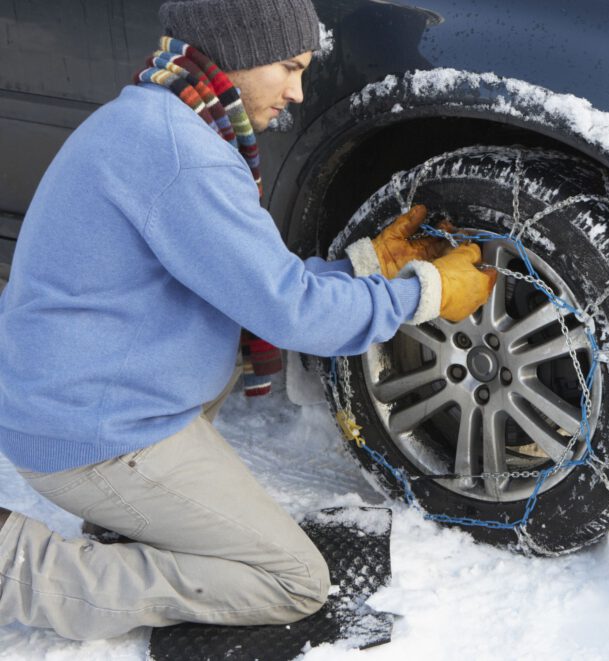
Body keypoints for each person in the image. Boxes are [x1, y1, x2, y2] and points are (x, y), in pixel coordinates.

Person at [0, 0, 495, 641]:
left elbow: (251, 281)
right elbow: (291, 313)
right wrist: (424, 294)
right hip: (95, 434)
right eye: (288, 67)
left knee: (220, 355)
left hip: (88, 395)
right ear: (233, 53)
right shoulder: (183, 155)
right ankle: (20, 568)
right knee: (291, 582)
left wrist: (370, 266)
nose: (295, 93)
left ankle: (130, 520)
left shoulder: (158, 117)